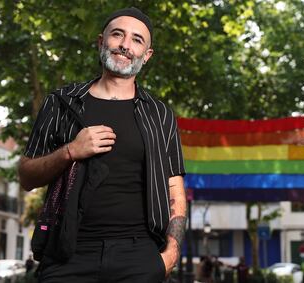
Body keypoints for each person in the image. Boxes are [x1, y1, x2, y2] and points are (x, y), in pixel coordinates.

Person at [18, 7, 187, 283]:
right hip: (67, 255)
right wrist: (70, 151)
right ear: (101, 41)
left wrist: (171, 254)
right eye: (117, 34)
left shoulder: (160, 114)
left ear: (147, 55)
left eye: (137, 40)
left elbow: (175, 190)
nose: (125, 45)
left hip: (139, 257)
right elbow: (26, 176)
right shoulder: (61, 103)